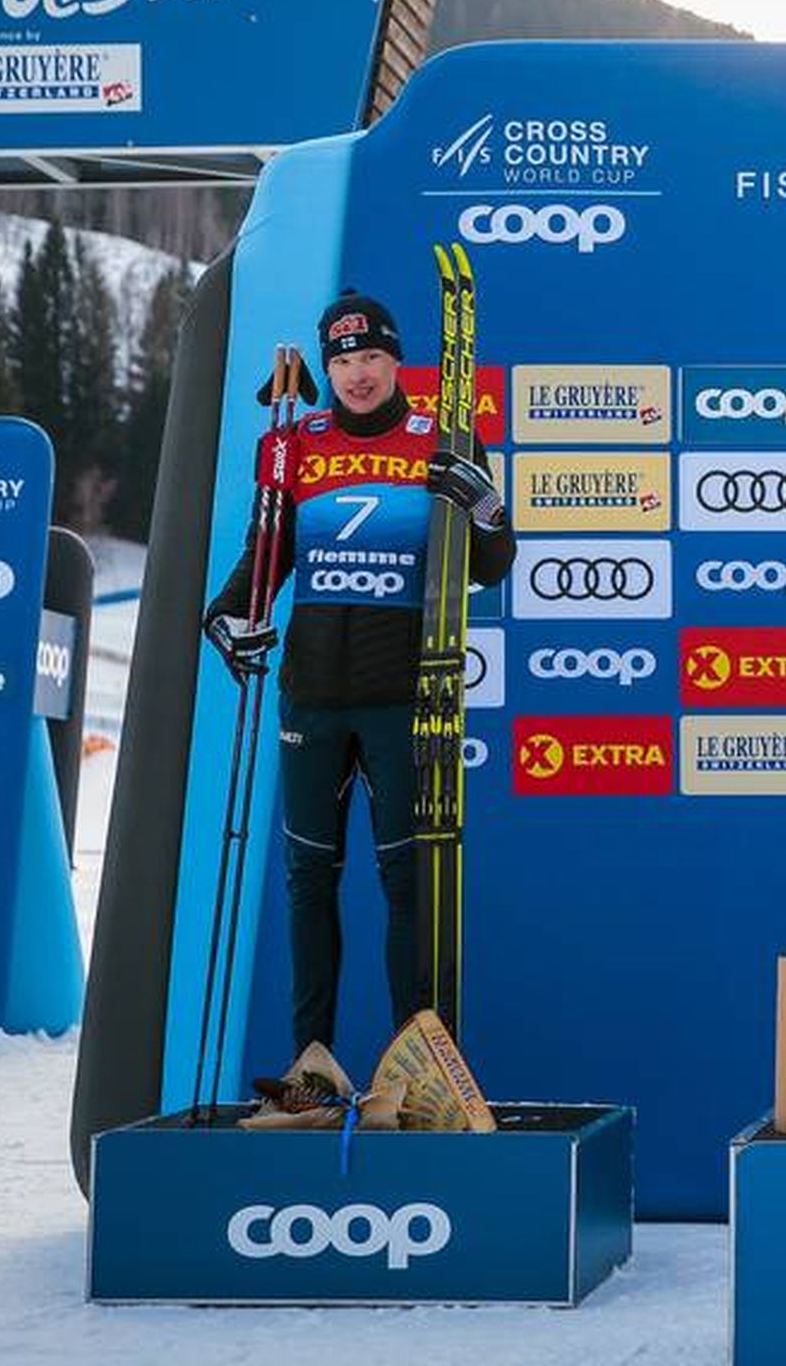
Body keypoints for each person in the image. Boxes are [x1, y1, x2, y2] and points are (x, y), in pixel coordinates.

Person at [204, 289, 514, 1061]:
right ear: (328, 368)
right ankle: (313, 1066)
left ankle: (417, 1067)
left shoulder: (442, 437)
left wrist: (487, 512)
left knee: (407, 885)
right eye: (343, 360)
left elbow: (493, 567)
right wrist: (221, 618)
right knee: (309, 882)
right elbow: (265, 558)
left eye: (371, 357)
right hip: (310, 696)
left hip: (401, 696)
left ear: (395, 359)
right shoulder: (295, 443)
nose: (358, 374)